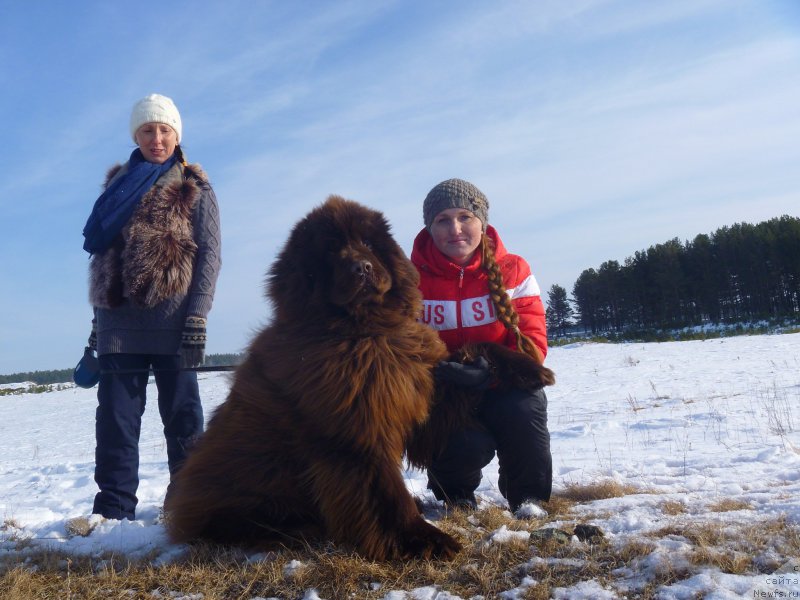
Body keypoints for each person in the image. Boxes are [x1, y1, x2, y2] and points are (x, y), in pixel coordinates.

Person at [80, 93, 221, 521]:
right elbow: (106, 255)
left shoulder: (194, 185)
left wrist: (197, 317)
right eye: (147, 130)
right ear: (136, 135)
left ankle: (188, 504)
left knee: (183, 421)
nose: (156, 138)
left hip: (175, 325)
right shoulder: (116, 187)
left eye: (164, 129)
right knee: (117, 424)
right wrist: (97, 323)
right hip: (119, 325)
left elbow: (210, 257)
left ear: (176, 134)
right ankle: (113, 512)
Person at [410, 178, 551, 514]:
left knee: (524, 411)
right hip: (444, 393)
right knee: (464, 443)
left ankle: (528, 500)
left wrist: (490, 369)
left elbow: (533, 343)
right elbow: (400, 347)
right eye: (442, 220)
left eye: (465, 217)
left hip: (504, 383)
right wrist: (443, 372)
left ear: (481, 222)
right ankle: (455, 494)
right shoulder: (408, 279)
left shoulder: (514, 270)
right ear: (429, 227)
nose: (455, 229)